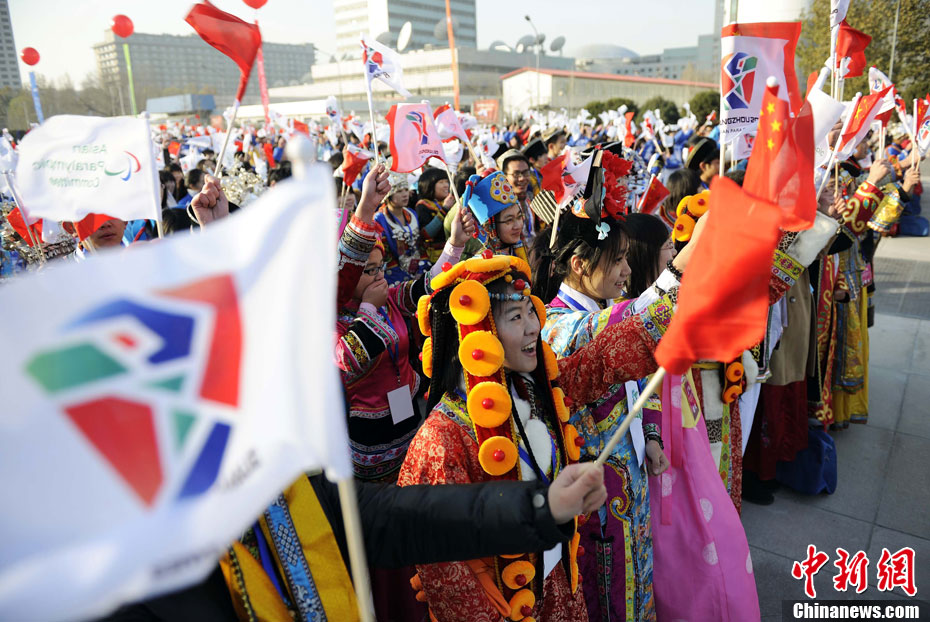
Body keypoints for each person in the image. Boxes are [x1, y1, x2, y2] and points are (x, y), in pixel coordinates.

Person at [398, 251, 684, 621]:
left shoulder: (535, 393)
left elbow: (600, 361)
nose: (534, 326)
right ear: (477, 332)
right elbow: (448, 578)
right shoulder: (441, 440)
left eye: (530, 311)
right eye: (515, 317)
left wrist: (681, 299)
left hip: (558, 589)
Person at [533, 204, 704, 622]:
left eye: (627, 258)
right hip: (598, 495)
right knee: (608, 593)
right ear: (579, 265)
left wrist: (651, 435)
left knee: (637, 580)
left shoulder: (603, 307)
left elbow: (640, 382)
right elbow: (631, 327)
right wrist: (688, 260)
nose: (627, 270)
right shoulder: (557, 325)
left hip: (632, 476)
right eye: (618, 260)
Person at [622, 212, 760, 621]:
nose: (673, 253)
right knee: (682, 534)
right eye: (667, 248)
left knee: (710, 521)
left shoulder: (658, 301)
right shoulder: (629, 313)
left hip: (684, 416)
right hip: (662, 427)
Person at [373, 174, 430, 285]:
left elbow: (420, 245)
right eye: (399, 191)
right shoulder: (379, 219)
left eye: (406, 190)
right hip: (393, 273)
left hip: (418, 268)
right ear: (389, 195)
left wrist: (421, 270)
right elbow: (385, 254)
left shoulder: (411, 213)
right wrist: (406, 277)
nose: (405, 195)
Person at [414, 167, 455, 262]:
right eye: (441, 182)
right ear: (429, 185)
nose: (446, 185)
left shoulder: (450, 202)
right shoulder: (423, 205)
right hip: (434, 258)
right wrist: (444, 209)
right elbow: (427, 234)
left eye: (446, 182)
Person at [498, 149, 540, 239]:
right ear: (504, 176)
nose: (522, 178)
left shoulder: (530, 198)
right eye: (516, 174)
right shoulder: (500, 207)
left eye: (526, 173)